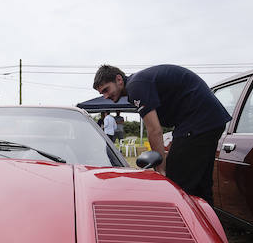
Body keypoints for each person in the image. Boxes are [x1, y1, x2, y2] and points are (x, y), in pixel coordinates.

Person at [93, 64, 230, 205]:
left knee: (176, 185)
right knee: (201, 185)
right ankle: (206, 222)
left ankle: (179, 223)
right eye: (102, 93)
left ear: (119, 79)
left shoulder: (136, 86)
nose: (106, 96)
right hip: (211, 120)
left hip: (198, 121)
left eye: (106, 89)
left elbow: (154, 130)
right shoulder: (139, 83)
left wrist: (160, 169)